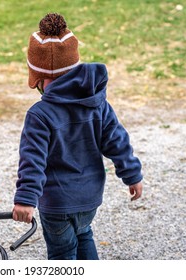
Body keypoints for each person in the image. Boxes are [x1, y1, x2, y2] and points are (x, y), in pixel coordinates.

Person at [12, 13, 143, 260]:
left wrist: (26, 199)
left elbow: (33, 161)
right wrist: (132, 174)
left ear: (37, 78)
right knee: (84, 235)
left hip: (57, 204)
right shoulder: (97, 103)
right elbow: (117, 141)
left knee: (63, 254)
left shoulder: (39, 114)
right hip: (89, 198)